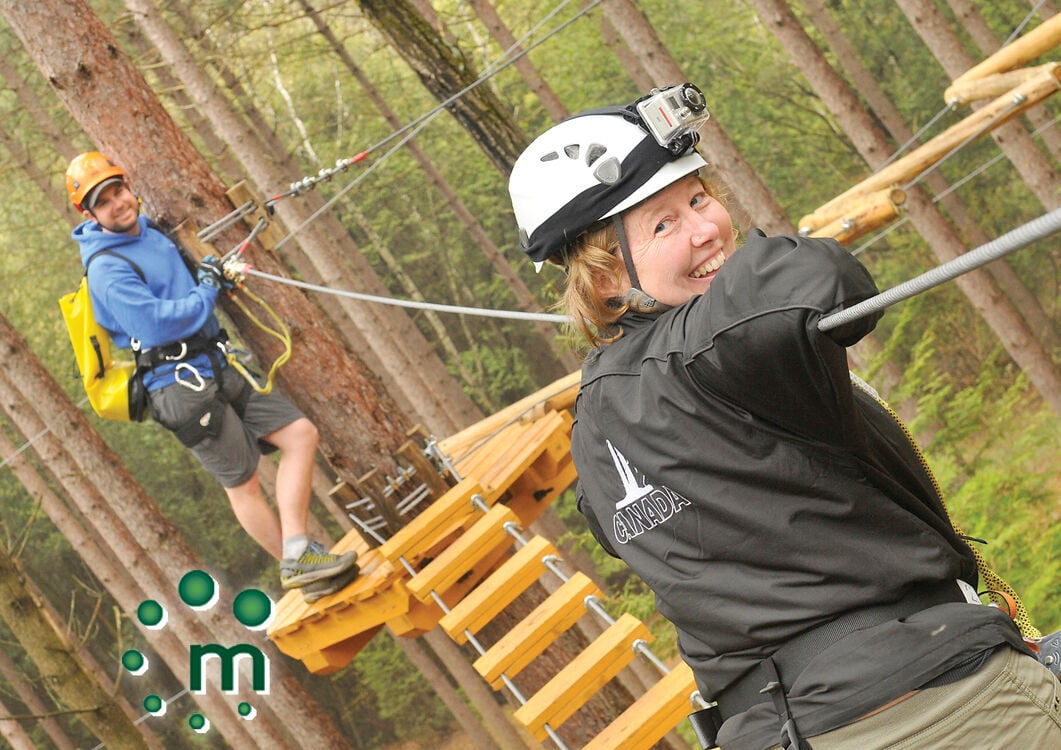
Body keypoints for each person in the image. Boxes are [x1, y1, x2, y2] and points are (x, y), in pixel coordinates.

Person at [508, 88, 1061, 750]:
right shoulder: (704, 347)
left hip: (779, 730)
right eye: (662, 225)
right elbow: (816, 277)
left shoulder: (594, 427)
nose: (705, 228)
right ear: (604, 280)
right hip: (937, 706)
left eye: (698, 198)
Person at [66, 151, 358, 602]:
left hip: (215, 363)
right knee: (243, 481)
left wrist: (214, 278)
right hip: (178, 387)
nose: (117, 203)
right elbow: (155, 325)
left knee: (299, 435)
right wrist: (207, 290)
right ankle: (299, 567)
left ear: (129, 186)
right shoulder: (106, 267)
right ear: (90, 215)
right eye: (103, 202)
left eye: (118, 191)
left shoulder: (152, 232)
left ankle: (299, 552)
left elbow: (187, 285)